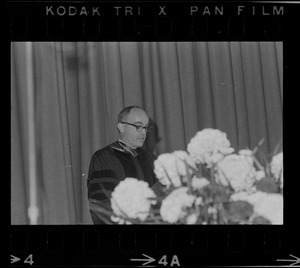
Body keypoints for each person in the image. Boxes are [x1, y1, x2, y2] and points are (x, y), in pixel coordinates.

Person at [87, 106, 160, 224]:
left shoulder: (151, 160)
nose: (143, 132)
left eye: (146, 127)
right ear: (121, 127)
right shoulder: (104, 158)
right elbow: (101, 206)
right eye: (138, 126)